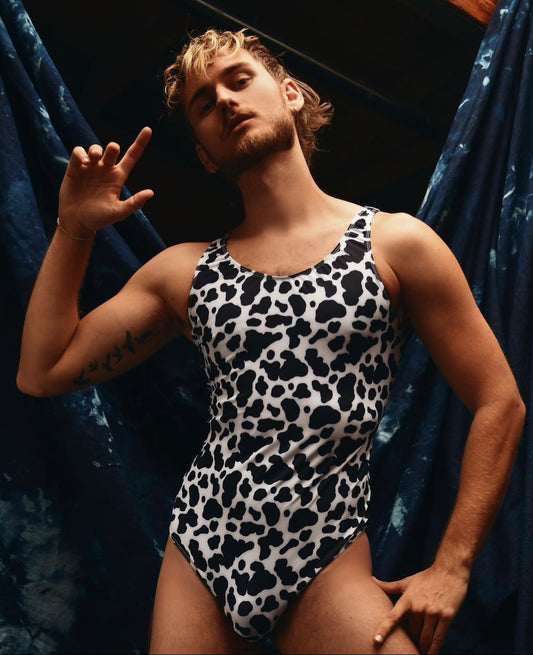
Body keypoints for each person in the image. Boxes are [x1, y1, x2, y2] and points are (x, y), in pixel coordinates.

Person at [16, 27, 524, 655]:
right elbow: (42, 370)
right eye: (204, 104)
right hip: (203, 546)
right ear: (204, 154)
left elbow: (500, 401)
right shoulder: (185, 273)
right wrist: (74, 228)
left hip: (326, 551)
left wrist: (452, 567)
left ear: (290, 93)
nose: (225, 101)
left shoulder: (396, 244)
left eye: (238, 80)